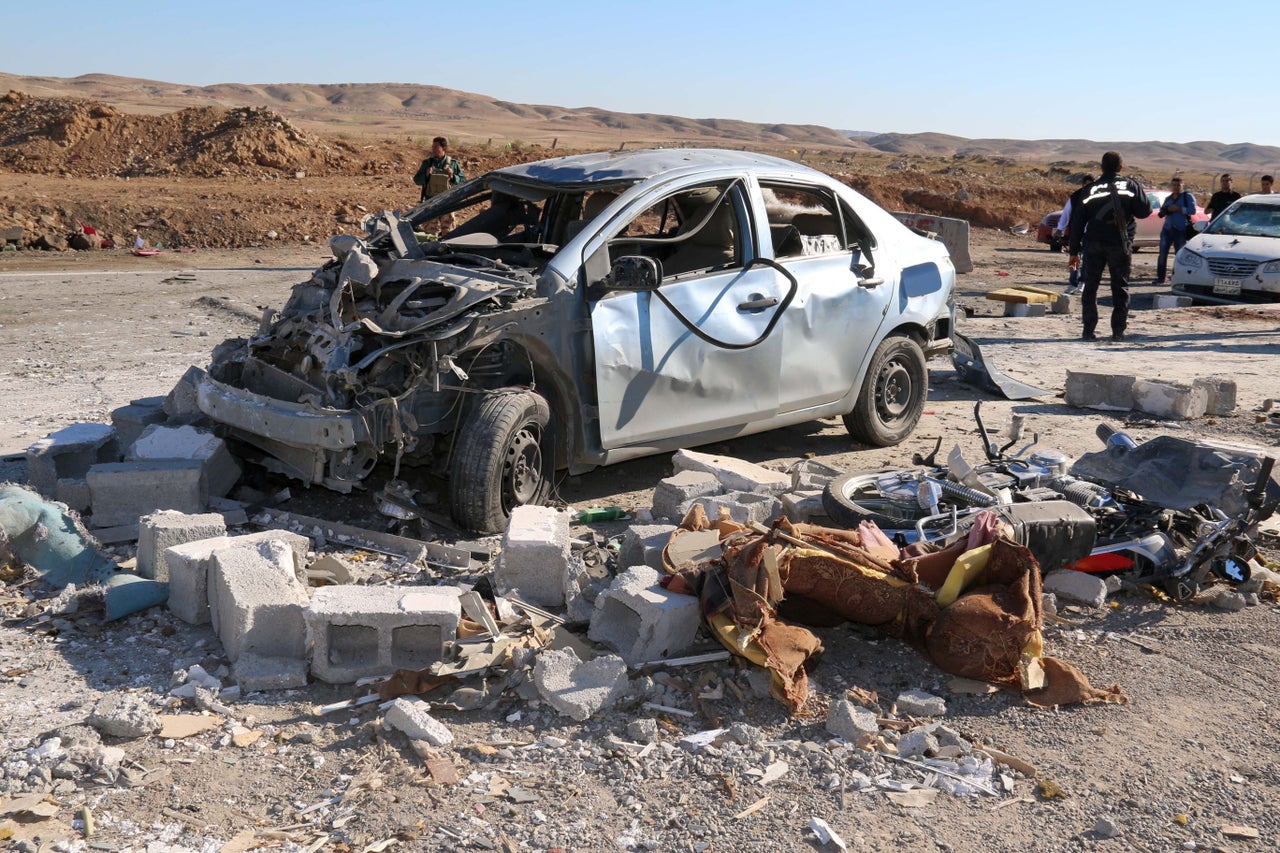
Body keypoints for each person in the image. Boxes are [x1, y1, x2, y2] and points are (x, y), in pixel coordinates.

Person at [1067, 151, 1152, 343]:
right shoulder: (1130, 186)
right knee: (1120, 287)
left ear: (1101, 167)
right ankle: (1118, 332)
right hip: (1119, 244)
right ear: (1121, 168)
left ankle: (1088, 331)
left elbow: (1077, 223)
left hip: (1094, 244)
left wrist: (1073, 252)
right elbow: (1144, 211)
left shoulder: (1089, 189)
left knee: (1090, 287)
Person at [1054, 174, 1094, 294]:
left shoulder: (1098, 197)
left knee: (1087, 259)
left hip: (1090, 233)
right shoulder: (1075, 197)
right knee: (1073, 257)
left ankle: (1083, 282)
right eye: (1086, 184)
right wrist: (1060, 228)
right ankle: (1073, 283)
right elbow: (1066, 213)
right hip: (1076, 232)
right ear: (1082, 185)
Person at [1154, 177, 1196, 285]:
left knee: (1179, 255)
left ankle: (1177, 277)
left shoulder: (1187, 197)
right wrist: (1167, 210)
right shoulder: (1168, 198)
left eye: (1178, 185)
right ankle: (1160, 278)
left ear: (1182, 185)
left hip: (1180, 229)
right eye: (1174, 185)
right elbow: (1162, 211)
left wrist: (1178, 209)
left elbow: (1192, 210)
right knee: (1162, 254)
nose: (1176, 187)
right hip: (1167, 229)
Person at [412, 136, 466, 203]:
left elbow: (463, 181)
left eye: (436, 147)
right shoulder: (427, 163)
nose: (433, 149)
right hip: (429, 202)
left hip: (448, 202)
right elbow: (416, 180)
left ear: (443, 148)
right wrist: (426, 175)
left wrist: (453, 177)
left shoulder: (453, 164)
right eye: (432, 147)